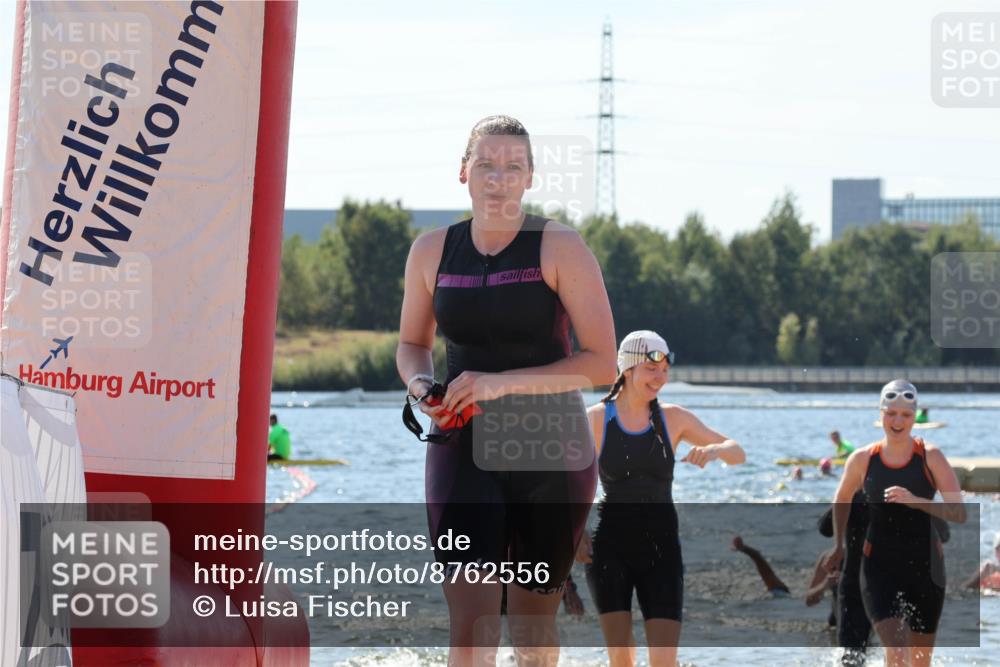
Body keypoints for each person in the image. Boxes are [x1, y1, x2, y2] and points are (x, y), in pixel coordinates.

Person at [396, 115, 617, 665]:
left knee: (530, 631)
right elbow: (410, 344)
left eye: (513, 167)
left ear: (531, 177)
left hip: (551, 450)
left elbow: (604, 364)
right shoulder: (430, 251)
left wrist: (498, 386)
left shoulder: (560, 247)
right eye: (487, 165)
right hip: (461, 447)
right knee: (471, 628)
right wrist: (420, 384)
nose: (498, 178)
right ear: (464, 172)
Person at [578, 330, 745, 667]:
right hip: (610, 549)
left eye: (666, 369)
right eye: (653, 369)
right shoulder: (597, 419)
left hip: (662, 550)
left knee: (664, 660)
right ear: (627, 369)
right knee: (621, 659)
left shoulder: (674, 418)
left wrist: (713, 451)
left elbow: (737, 452)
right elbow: (568, 479)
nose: (661, 378)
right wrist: (575, 529)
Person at [821, 380, 965, 667]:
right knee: (897, 655)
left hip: (927, 568)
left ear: (914, 417)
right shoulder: (862, 459)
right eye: (891, 413)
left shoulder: (931, 457)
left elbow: (959, 512)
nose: (898, 421)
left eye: (906, 415)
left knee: (920, 662)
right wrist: (838, 545)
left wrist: (916, 501)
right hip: (878, 567)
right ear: (881, 413)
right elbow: (842, 498)